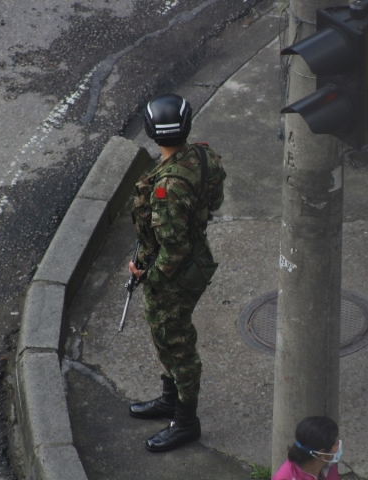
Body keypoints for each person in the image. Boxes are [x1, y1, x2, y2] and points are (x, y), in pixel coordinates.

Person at [127, 93, 226, 453]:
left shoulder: (167, 187)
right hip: (195, 258)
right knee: (167, 335)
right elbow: (213, 203)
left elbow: (174, 247)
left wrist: (146, 275)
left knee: (176, 342)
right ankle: (170, 399)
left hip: (174, 273)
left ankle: (186, 422)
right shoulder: (202, 156)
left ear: (153, 132)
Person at [272, 416, 342, 480]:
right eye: (337, 444)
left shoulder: (328, 468)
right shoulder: (285, 477)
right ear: (321, 453)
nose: (339, 447)